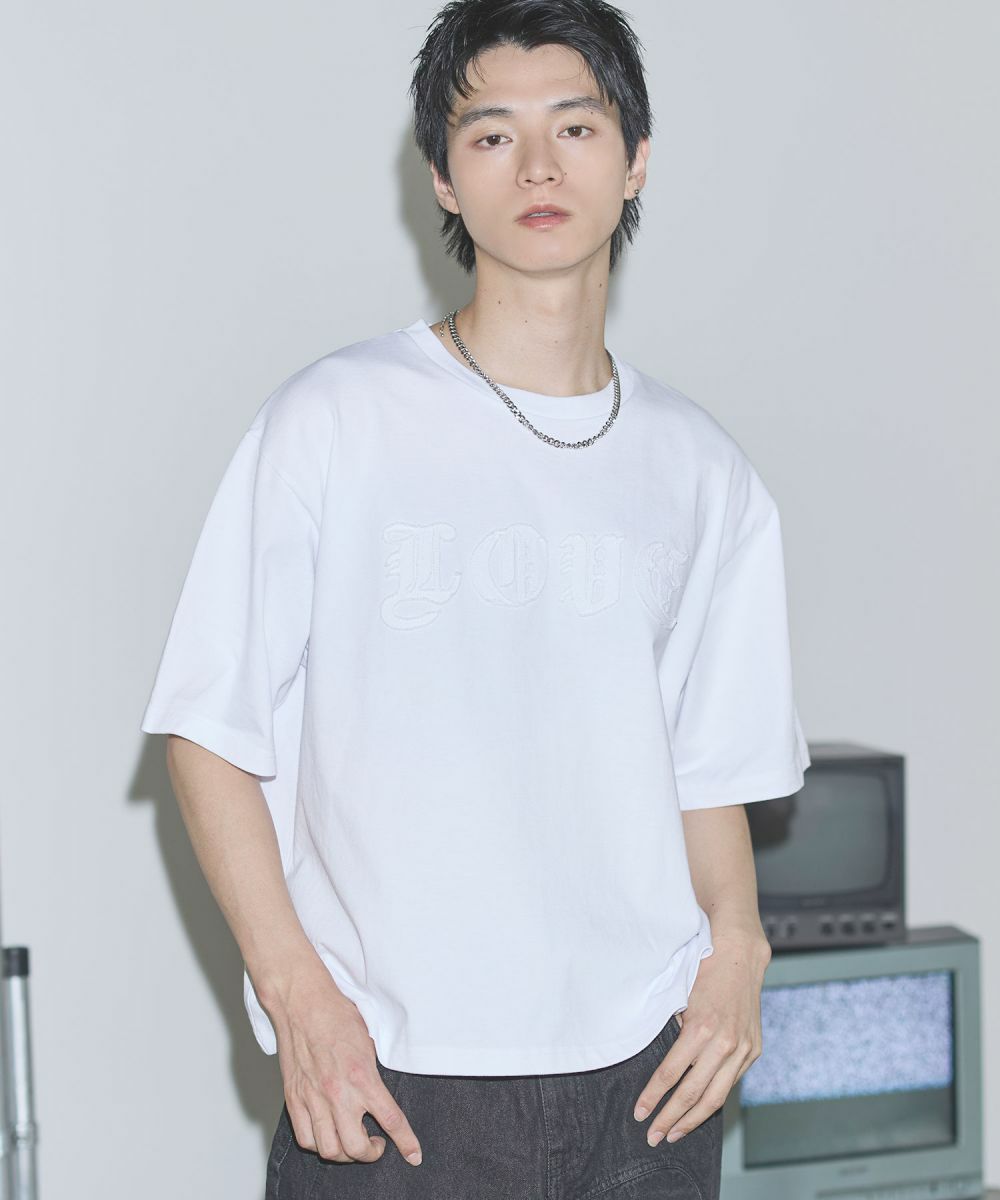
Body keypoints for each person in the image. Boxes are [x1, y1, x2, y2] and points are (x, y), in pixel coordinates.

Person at [139, 1, 810, 1196]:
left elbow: (707, 770)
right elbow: (206, 731)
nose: (538, 166)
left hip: (646, 1086)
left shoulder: (704, 470)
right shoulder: (332, 422)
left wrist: (738, 952)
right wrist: (299, 1000)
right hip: (396, 1079)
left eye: (576, 126)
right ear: (444, 179)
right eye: (492, 135)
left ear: (635, 159)